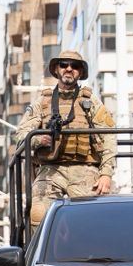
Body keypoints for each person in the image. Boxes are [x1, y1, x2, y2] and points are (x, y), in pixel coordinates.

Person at [12, 50, 115, 225]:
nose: (69, 69)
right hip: (51, 170)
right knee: (37, 213)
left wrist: (106, 174)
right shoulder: (42, 102)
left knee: (94, 217)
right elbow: (21, 135)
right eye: (64, 65)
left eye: (74, 66)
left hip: (84, 168)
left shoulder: (90, 102)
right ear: (56, 69)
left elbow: (109, 136)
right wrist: (39, 139)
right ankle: (41, 252)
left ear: (80, 72)